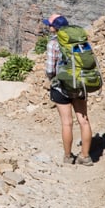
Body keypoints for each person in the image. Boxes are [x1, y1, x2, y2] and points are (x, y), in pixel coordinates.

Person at [43, 14, 94, 166]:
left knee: (67, 122)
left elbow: (50, 69)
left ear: (55, 27)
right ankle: (85, 156)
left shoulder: (54, 43)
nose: (48, 27)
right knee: (84, 121)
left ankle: (67, 156)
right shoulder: (80, 41)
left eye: (49, 24)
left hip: (62, 86)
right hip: (80, 84)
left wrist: (52, 78)